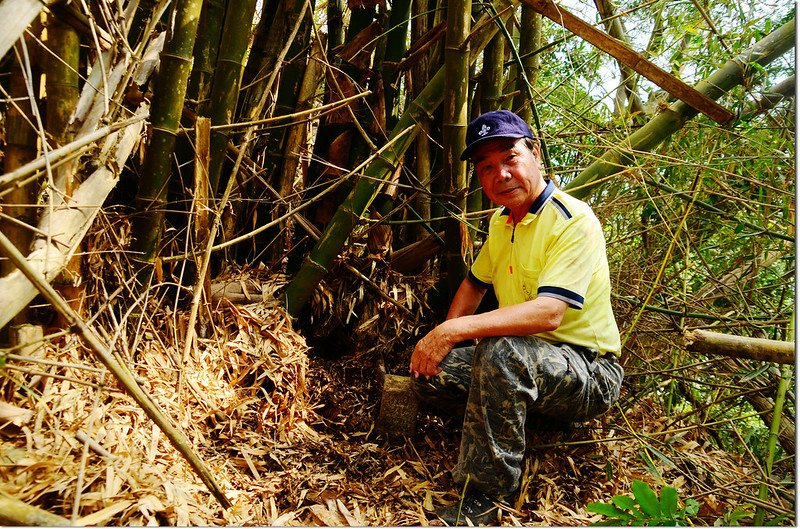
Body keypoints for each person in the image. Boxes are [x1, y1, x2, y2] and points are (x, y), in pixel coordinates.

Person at [410, 110, 624, 526]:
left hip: (588, 370)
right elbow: (474, 284)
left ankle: (487, 496)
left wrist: (452, 329)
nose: (501, 174)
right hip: (530, 362)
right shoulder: (500, 221)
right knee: (431, 377)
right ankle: (526, 418)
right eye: (487, 167)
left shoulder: (573, 221)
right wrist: (444, 342)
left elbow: (548, 313)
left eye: (510, 158)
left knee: (502, 352)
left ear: (535, 155)